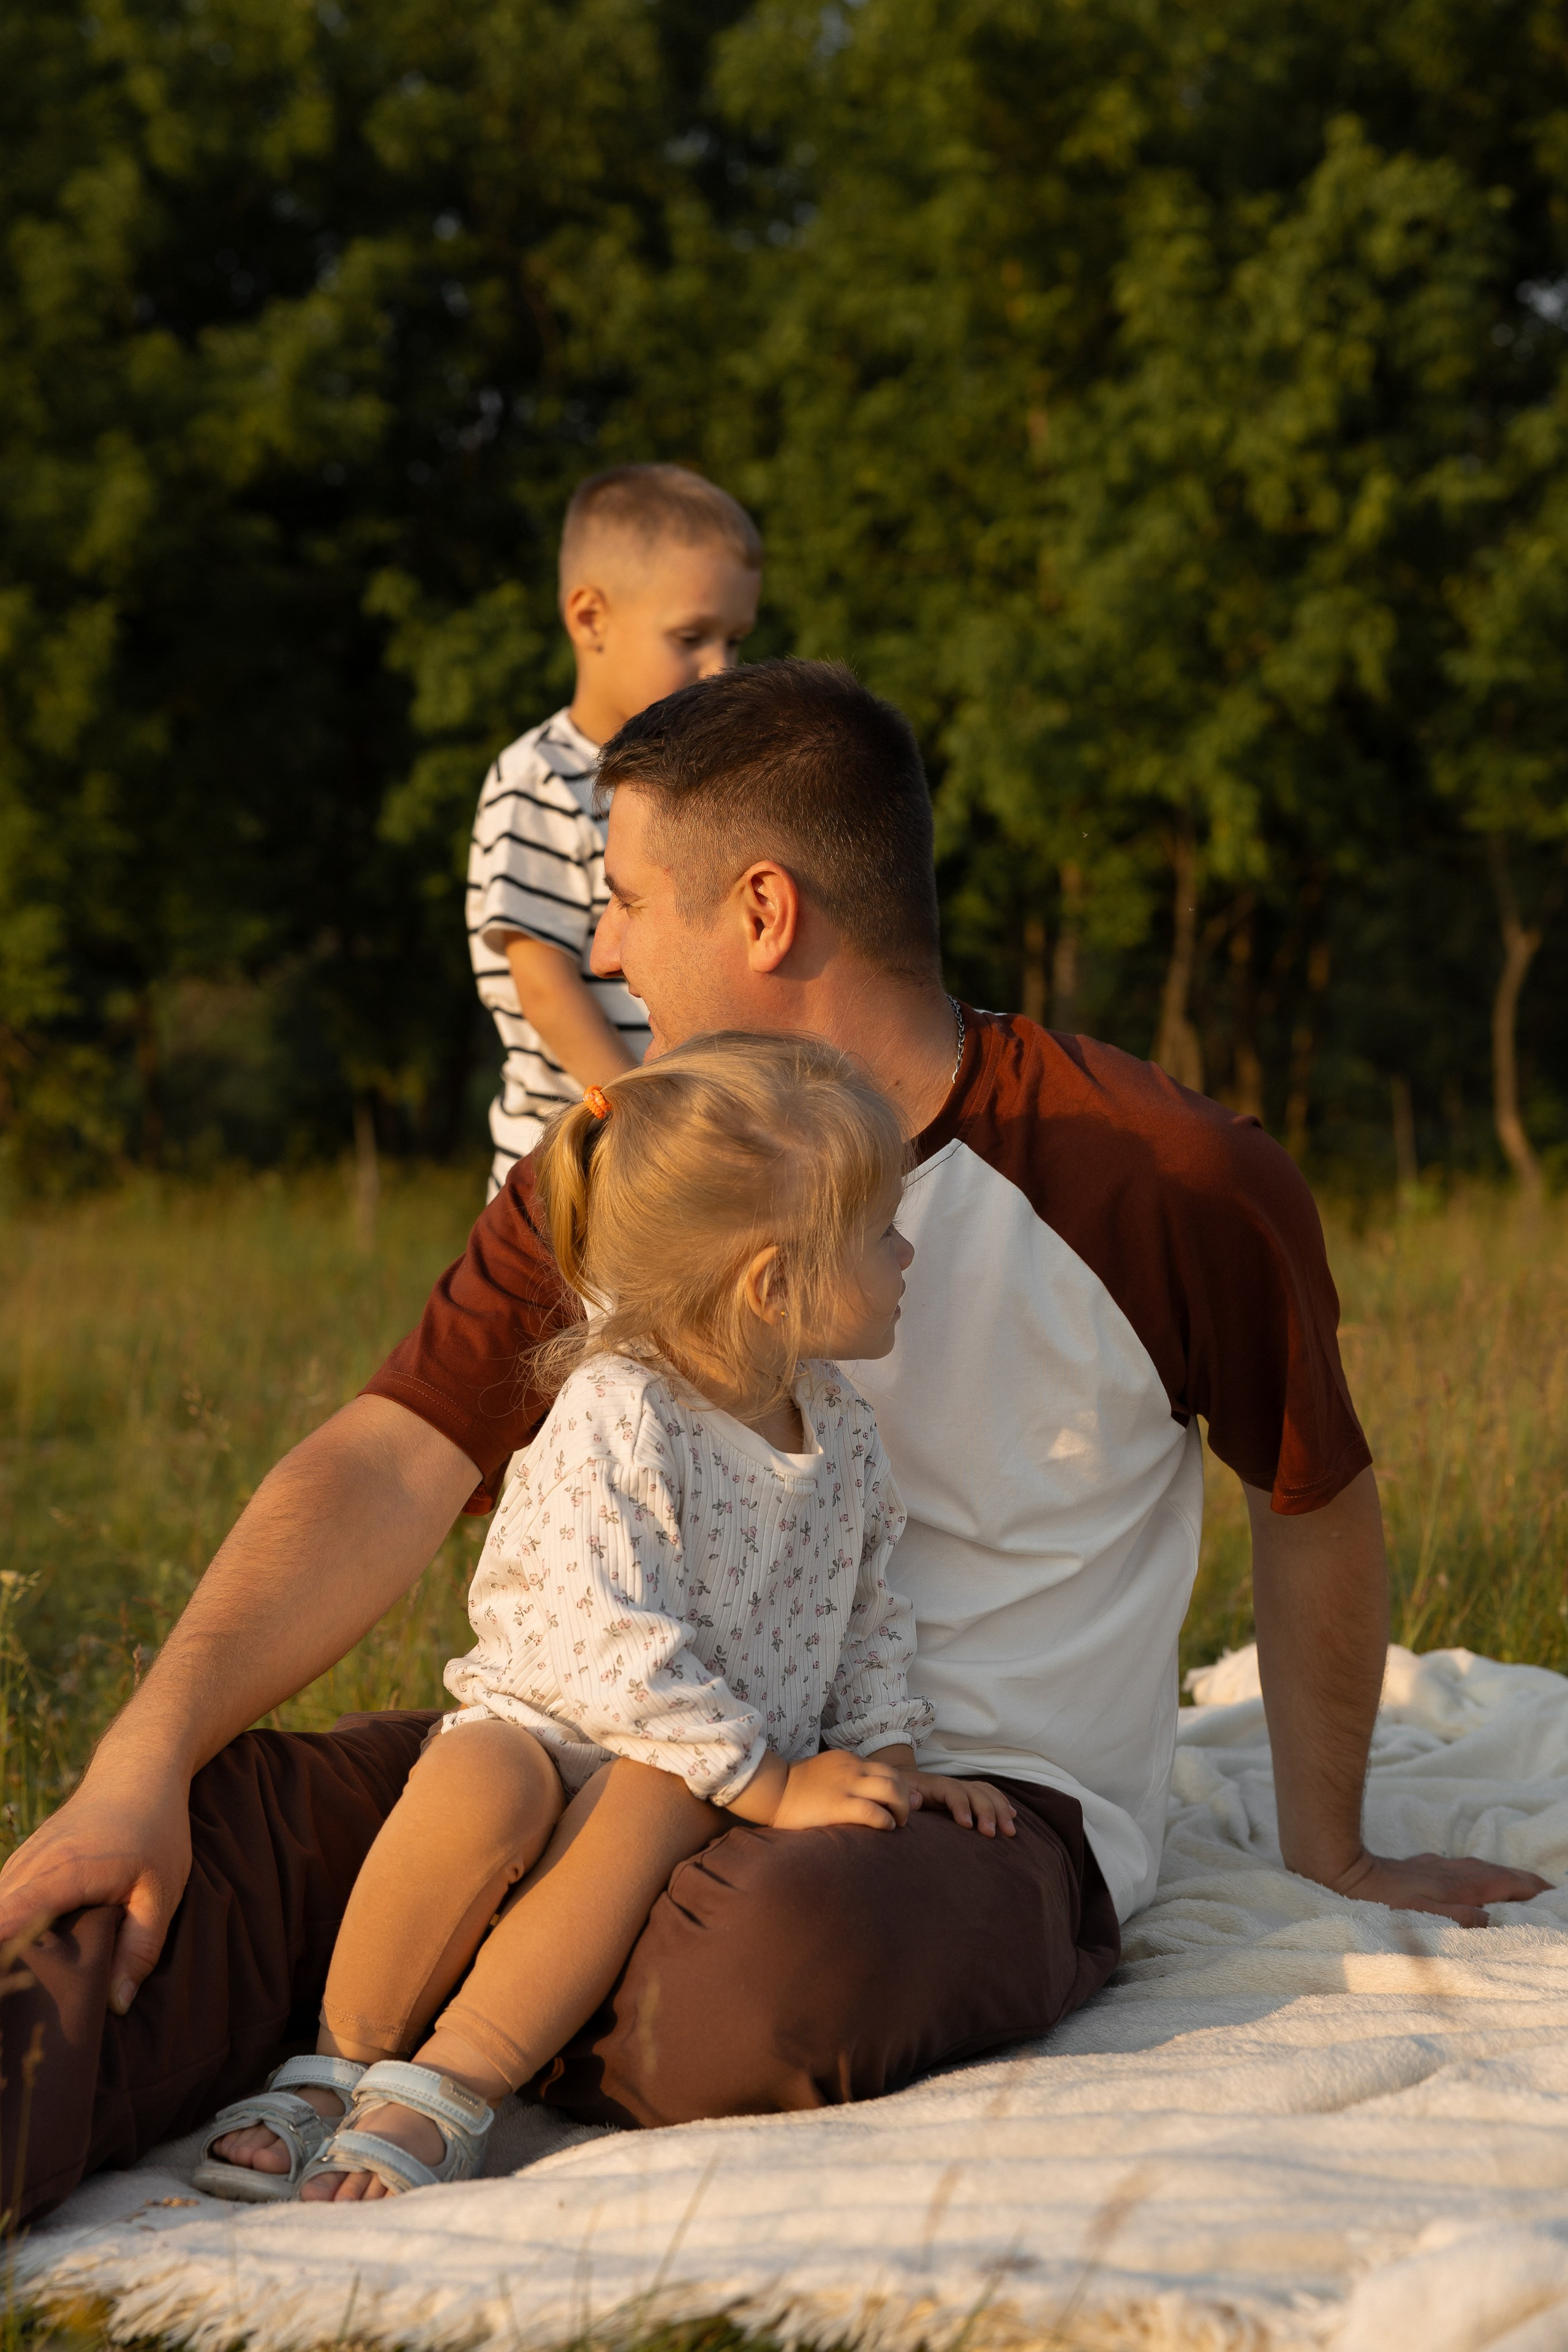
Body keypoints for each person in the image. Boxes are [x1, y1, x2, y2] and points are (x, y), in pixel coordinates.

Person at [0, 660, 1547, 2230]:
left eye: (624, 899)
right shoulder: (634, 1168)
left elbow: (1311, 1493)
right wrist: (142, 1754)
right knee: (207, 1841)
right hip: (606, 1742)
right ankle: (354, 2013)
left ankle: (431, 2016)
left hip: (945, 1808)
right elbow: (394, 1455)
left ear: (760, 909)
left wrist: (1332, 1848)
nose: (596, 947)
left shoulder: (1160, 1173)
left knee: (758, 1967)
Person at [194, 1034, 1014, 2202]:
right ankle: (340, 2056)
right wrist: (776, 1787)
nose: (907, 1252)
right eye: (881, 1229)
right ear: (773, 1283)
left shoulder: (843, 1435)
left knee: (656, 1791)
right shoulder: (621, 1411)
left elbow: (869, 1622)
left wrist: (888, 1766)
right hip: (555, 1721)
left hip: (685, 1769)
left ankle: (450, 2086)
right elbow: (620, 1652)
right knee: (489, 1779)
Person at [469, 462, 762, 1197]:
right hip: (575, 1166)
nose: (721, 670)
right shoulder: (538, 775)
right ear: (590, 619)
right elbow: (540, 981)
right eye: (692, 636)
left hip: (675, 1159)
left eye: (735, 640)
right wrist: (638, 1109)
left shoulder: (700, 792)